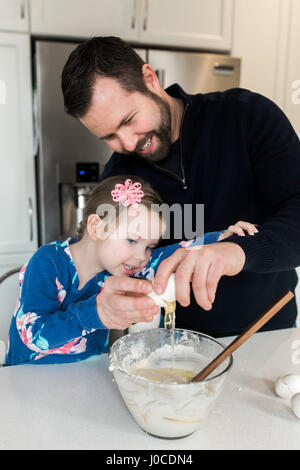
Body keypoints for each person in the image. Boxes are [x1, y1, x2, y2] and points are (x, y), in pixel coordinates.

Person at [61, 36, 300, 337]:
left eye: (130, 120)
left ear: (150, 79)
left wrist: (235, 251)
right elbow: (100, 262)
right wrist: (104, 297)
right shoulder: (121, 178)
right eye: (109, 136)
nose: (129, 143)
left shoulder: (246, 116)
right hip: (177, 346)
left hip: (269, 334)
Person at [5, 175, 255, 365]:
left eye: (149, 247)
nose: (141, 257)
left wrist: (222, 237)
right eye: (133, 241)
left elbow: (175, 254)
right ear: (96, 227)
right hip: (28, 377)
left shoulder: (122, 269)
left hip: (84, 374)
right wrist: (95, 314)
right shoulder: (47, 263)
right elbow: (33, 335)